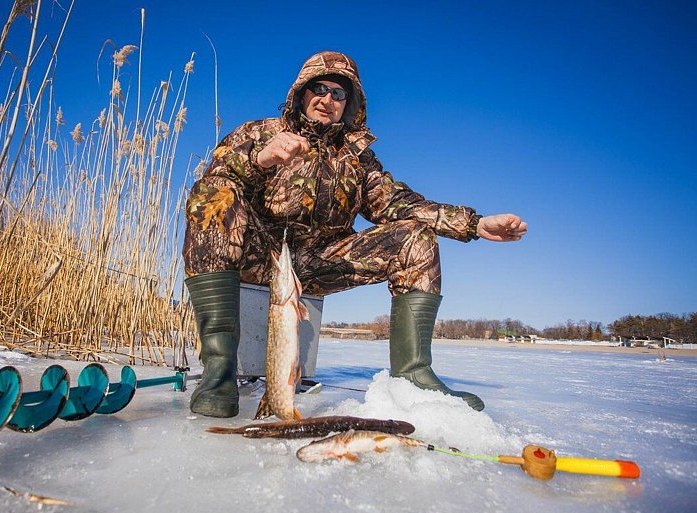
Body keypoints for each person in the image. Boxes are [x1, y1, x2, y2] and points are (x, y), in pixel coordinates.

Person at [182, 51, 527, 418]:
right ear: (301, 92)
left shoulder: (358, 159)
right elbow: (219, 177)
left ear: (349, 104)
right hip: (260, 255)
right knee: (212, 194)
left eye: (338, 93)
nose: (327, 99)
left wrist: (474, 224)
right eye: (319, 88)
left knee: (415, 238)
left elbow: (397, 203)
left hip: (319, 263)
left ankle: (413, 379)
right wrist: (260, 160)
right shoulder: (260, 133)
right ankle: (218, 375)